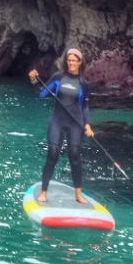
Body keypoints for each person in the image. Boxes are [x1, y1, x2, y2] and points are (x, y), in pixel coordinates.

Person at [28, 48, 94, 204]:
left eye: (74, 61)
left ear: (80, 62)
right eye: (69, 60)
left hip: (75, 122)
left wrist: (87, 125)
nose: (71, 63)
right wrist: (33, 81)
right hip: (57, 120)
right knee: (52, 154)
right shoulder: (58, 77)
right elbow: (41, 94)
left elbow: (84, 106)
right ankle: (43, 193)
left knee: (75, 156)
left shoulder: (84, 84)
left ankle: (78, 195)